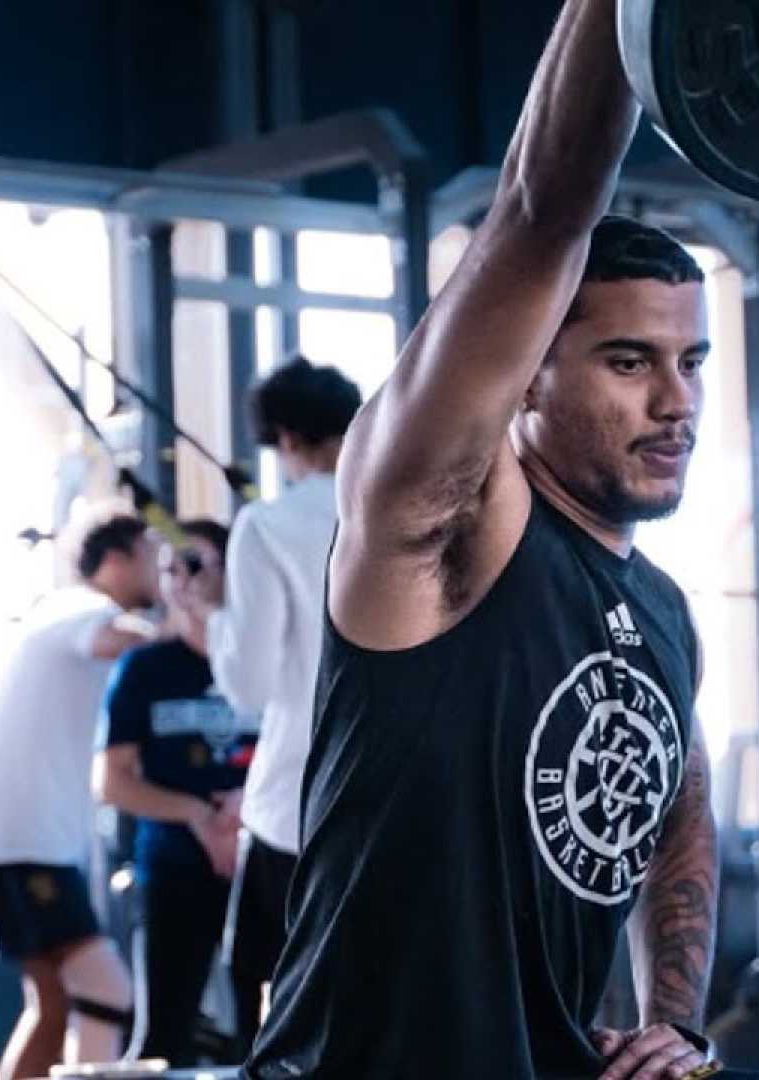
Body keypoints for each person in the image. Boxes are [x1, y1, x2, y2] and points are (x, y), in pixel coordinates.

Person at [242, 3, 719, 1077]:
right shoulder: (451, 534)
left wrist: (673, 1022)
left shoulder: (667, 613)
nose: (676, 404)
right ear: (530, 376)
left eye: (693, 365)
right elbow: (541, 211)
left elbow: (680, 815)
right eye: (631, 363)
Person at [0, 512, 160, 1080]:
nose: (164, 571)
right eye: (150, 554)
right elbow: (118, 641)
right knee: (105, 990)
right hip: (23, 840)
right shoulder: (83, 608)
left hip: (14, 838)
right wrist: (196, 628)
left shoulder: (59, 612)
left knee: (53, 1005)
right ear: (115, 561)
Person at [188, 356, 360, 1050]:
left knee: (268, 1006)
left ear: (285, 438)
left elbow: (250, 684)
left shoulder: (266, 526)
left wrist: (214, 613)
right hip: (403, 805)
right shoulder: (410, 510)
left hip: (296, 807)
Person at [94, 519, 252, 1064]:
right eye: (169, 568)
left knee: (266, 1034)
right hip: (172, 868)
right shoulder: (144, 669)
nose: (182, 580)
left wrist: (243, 810)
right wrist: (195, 815)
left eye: (197, 564)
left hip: (262, 865)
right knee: (164, 1036)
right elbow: (111, 781)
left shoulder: (262, 659)